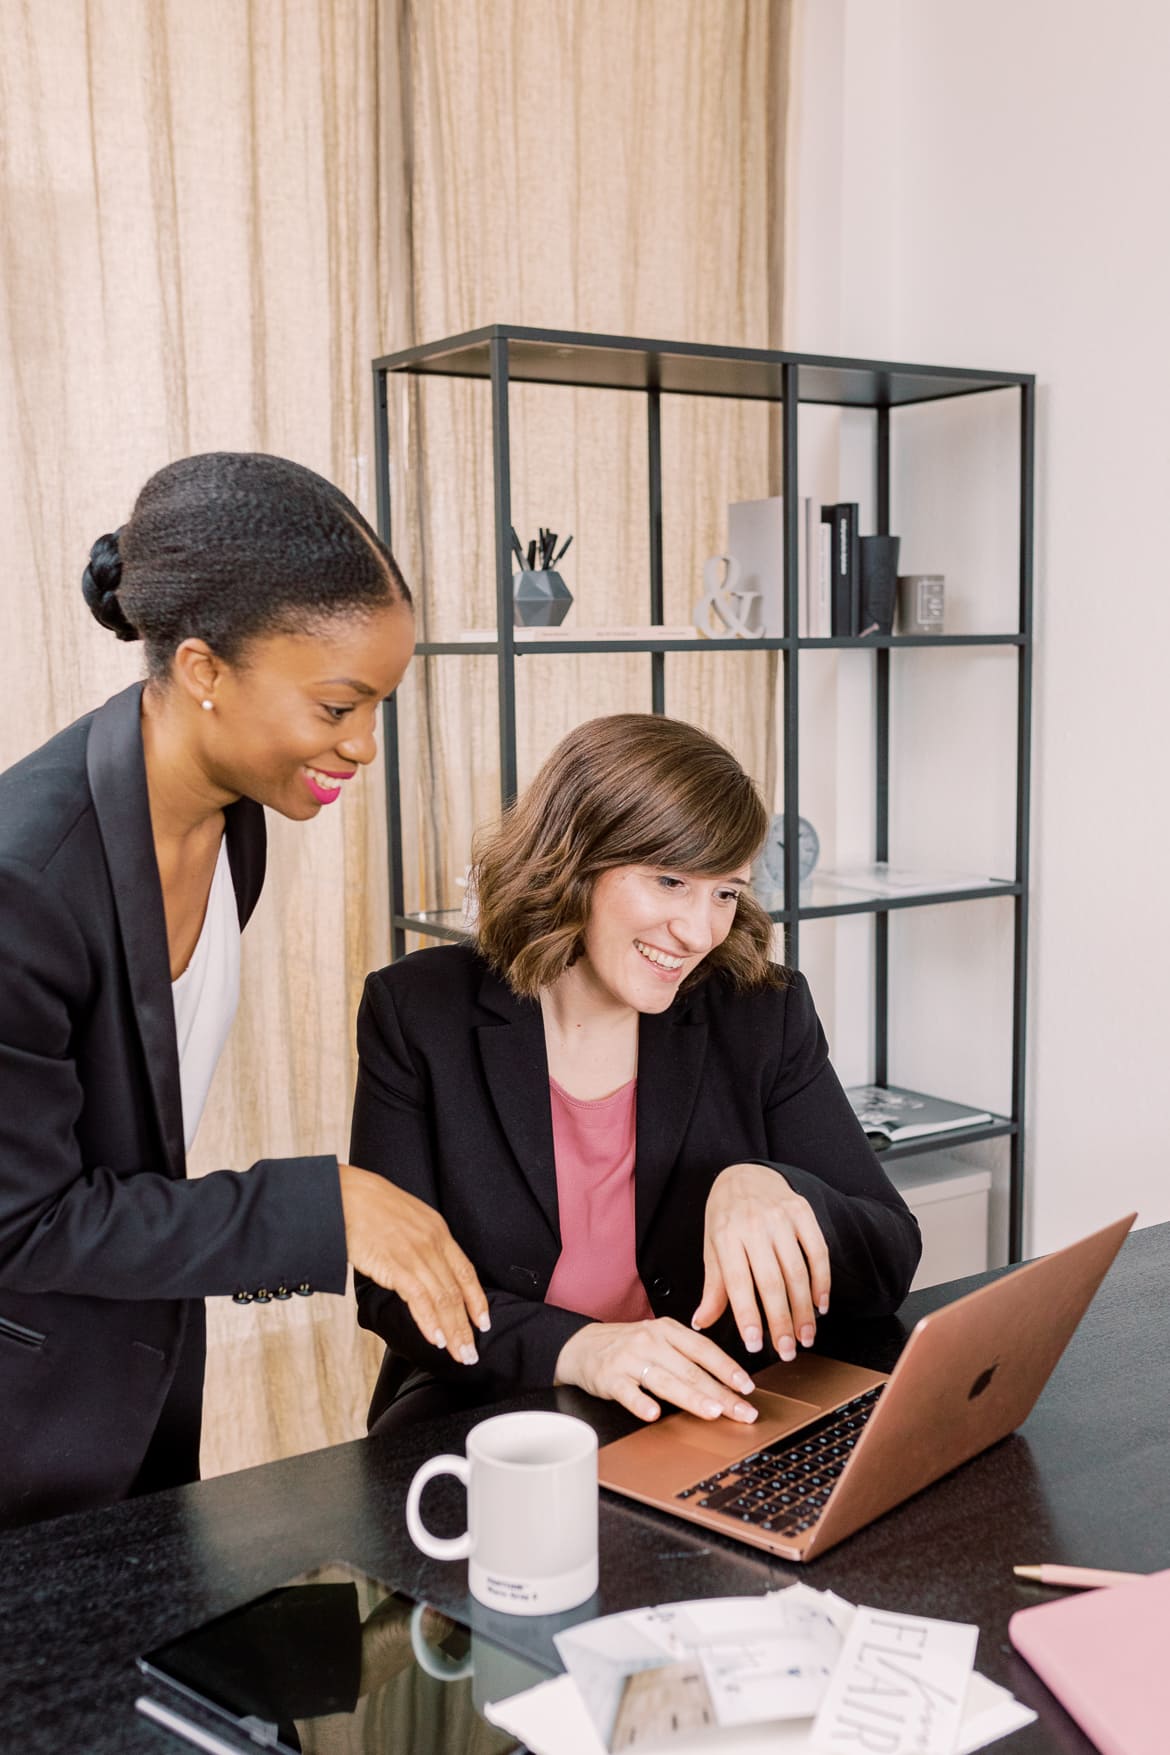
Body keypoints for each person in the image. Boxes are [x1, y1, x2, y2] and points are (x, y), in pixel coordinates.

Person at [0, 452, 488, 1530]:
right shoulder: (22, 884)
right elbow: (23, 1227)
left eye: (377, 706)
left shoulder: (240, 828)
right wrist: (325, 1208)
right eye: (335, 704)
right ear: (206, 669)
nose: (361, 746)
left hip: (132, 1392)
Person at [350, 713, 920, 1436]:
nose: (700, 930)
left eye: (726, 892)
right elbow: (389, 1286)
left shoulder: (759, 1011)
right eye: (671, 880)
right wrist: (579, 1348)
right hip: (496, 1403)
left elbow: (890, 1252)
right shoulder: (417, 1012)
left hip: (705, 1406)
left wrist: (774, 1184)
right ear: (573, 858)